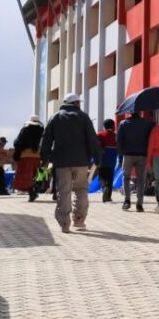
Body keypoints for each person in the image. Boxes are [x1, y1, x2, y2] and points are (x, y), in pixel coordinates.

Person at [40, 93, 102, 233]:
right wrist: (97, 158)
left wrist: (47, 158)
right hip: (81, 161)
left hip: (61, 162)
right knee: (81, 190)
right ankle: (79, 220)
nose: (79, 104)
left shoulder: (55, 117)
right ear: (74, 103)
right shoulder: (83, 117)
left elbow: (46, 140)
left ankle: (64, 223)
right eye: (78, 102)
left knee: (64, 191)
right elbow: (92, 139)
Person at [117, 110, 154, 212]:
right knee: (141, 179)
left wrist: (120, 157)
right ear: (140, 112)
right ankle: (139, 203)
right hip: (142, 155)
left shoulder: (123, 123)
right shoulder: (147, 124)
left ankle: (127, 200)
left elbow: (119, 141)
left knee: (126, 177)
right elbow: (151, 138)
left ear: (130, 112)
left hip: (128, 154)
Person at [12, 115, 44, 202]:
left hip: (25, 156)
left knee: (25, 177)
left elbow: (17, 142)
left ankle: (31, 193)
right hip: (37, 156)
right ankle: (35, 191)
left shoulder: (25, 130)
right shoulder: (42, 131)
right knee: (38, 176)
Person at [96, 119, 118, 203]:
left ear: (104, 126)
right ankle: (108, 196)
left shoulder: (99, 135)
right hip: (112, 160)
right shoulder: (116, 136)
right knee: (110, 178)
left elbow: (95, 146)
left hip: (102, 160)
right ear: (113, 126)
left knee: (102, 177)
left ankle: (104, 188)